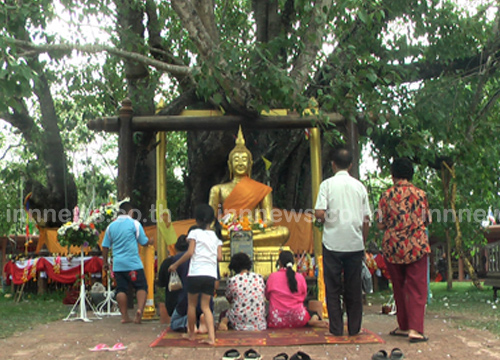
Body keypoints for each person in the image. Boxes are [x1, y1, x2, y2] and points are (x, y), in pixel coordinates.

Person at [314, 147, 371, 336]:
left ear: (333, 164)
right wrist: (362, 240)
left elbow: (319, 213)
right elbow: (366, 219)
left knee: (333, 288)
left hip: (332, 243)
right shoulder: (359, 187)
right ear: (351, 165)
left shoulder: (327, 185)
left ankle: (336, 329)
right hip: (355, 243)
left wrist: (327, 220)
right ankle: (354, 329)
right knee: (354, 288)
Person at [377, 158, 431, 343]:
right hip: (416, 246)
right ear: (411, 174)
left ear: (393, 175)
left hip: (393, 246)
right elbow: (426, 220)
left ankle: (403, 326)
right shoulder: (420, 194)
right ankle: (415, 330)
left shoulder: (385, 196)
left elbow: (381, 224)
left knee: (398, 288)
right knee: (416, 287)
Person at [208, 126, 289, 247]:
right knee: (212, 232)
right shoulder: (218, 189)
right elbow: (210, 221)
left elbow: (269, 219)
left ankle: (234, 241)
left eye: (244, 159)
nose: (240, 163)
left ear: (250, 164)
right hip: (228, 231)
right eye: (236, 160)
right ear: (230, 164)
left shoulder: (262, 190)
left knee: (283, 232)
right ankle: (236, 239)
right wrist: (229, 227)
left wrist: (255, 226)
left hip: (253, 230)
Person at [168, 204, 223, 345]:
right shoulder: (216, 237)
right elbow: (219, 258)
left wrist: (175, 264)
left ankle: (191, 334)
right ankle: (211, 337)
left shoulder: (194, 234)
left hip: (195, 273)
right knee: (206, 306)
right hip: (210, 274)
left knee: (191, 305)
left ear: (197, 220)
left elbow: (190, 252)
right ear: (212, 220)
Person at [101, 201, 153, 324]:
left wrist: (105, 262)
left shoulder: (111, 226)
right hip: (133, 264)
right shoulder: (134, 224)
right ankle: (139, 310)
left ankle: (124, 316)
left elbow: (105, 246)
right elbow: (143, 241)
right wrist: (150, 241)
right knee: (141, 286)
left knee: (121, 289)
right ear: (131, 212)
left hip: (118, 265)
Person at [265, 250, 328, 329]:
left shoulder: (272, 277)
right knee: (314, 313)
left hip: (276, 319)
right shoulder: (299, 277)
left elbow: (267, 296)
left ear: (279, 263)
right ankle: (311, 321)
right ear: (293, 262)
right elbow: (303, 295)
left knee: (267, 315)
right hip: (299, 318)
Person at [218, 252, 267, 331]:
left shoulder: (233, 280)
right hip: (259, 323)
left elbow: (229, 298)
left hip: (239, 322)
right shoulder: (259, 278)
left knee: (224, 314)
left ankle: (224, 324)